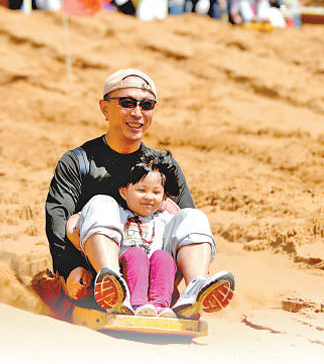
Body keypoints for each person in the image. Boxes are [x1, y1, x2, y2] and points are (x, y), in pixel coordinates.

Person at [45, 68, 235, 320]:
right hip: (95, 269)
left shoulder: (161, 167)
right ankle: (112, 284)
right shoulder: (78, 161)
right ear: (104, 108)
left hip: (158, 267)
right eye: (127, 103)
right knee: (101, 204)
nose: (137, 113)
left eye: (147, 105)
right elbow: (58, 217)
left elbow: (186, 229)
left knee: (193, 216)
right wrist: (70, 268)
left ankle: (194, 289)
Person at [72, 150, 182, 317]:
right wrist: (73, 231)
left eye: (156, 192)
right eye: (141, 190)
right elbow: (84, 220)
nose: (149, 197)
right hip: (125, 272)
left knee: (164, 257)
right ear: (124, 192)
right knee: (135, 255)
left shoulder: (165, 217)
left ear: (164, 195)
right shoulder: (116, 212)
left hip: (155, 277)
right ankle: (135, 304)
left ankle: (160, 307)